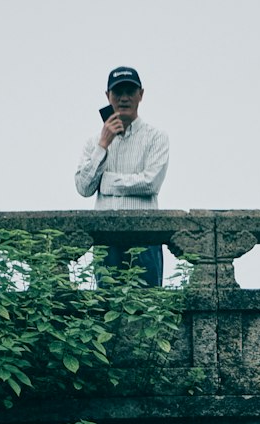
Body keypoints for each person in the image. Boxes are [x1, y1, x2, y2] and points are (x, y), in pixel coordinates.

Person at [75, 65, 169, 288]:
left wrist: (107, 182)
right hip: (106, 238)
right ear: (108, 97)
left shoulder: (156, 137)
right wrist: (103, 145)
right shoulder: (93, 142)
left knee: (149, 308)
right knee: (106, 311)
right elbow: (83, 187)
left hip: (145, 237)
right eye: (118, 92)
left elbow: (150, 183)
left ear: (141, 95)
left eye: (130, 91)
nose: (124, 98)